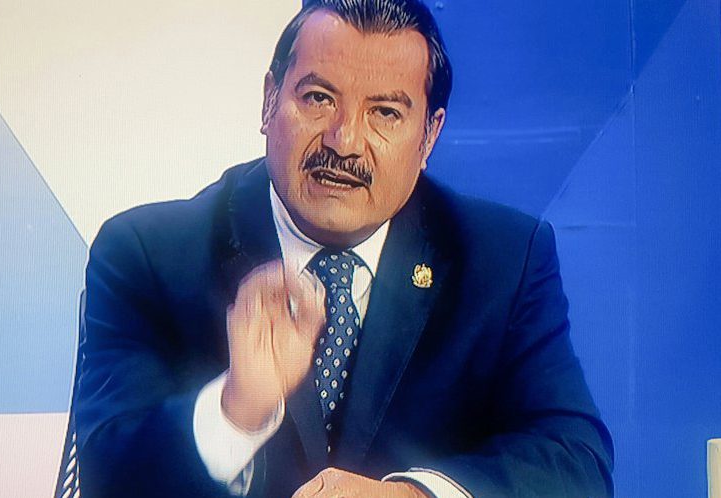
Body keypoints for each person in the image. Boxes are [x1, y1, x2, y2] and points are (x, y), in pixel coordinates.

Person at [74, 0, 614, 496]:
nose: (344, 140)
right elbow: (106, 479)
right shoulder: (147, 253)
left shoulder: (504, 260)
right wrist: (237, 409)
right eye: (318, 98)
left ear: (429, 135)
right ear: (269, 100)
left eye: (385, 113)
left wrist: (412, 496)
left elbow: (575, 462)